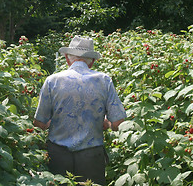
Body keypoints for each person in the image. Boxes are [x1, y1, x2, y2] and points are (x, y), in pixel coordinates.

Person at [33, 35, 127, 185]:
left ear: (67, 58)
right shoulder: (104, 80)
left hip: (58, 156)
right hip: (91, 157)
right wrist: (107, 123)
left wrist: (54, 122)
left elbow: (39, 123)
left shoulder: (52, 81)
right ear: (92, 61)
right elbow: (118, 123)